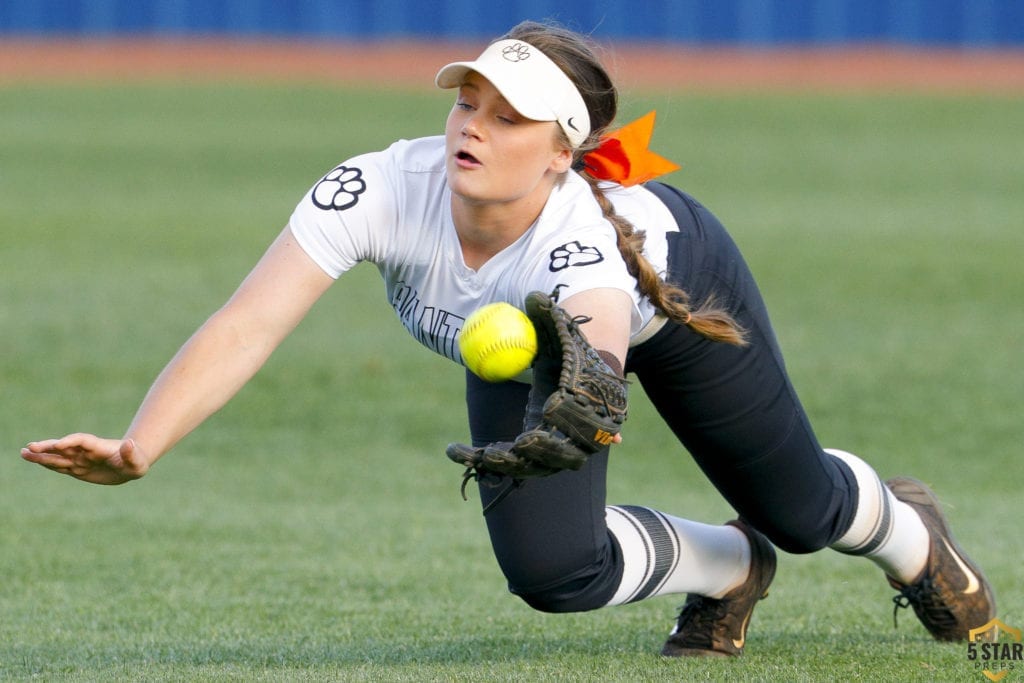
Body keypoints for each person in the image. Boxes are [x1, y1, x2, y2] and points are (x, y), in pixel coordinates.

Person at [21, 20, 994, 657]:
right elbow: (247, 322)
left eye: (508, 114)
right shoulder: (378, 187)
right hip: (534, 343)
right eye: (466, 101)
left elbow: (597, 349)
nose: (471, 125)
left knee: (802, 507)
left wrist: (587, 399)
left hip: (672, 281)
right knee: (555, 575)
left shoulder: (582, 240)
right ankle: (729, 565)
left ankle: (908, 526)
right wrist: (141, 442)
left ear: (562, 151)